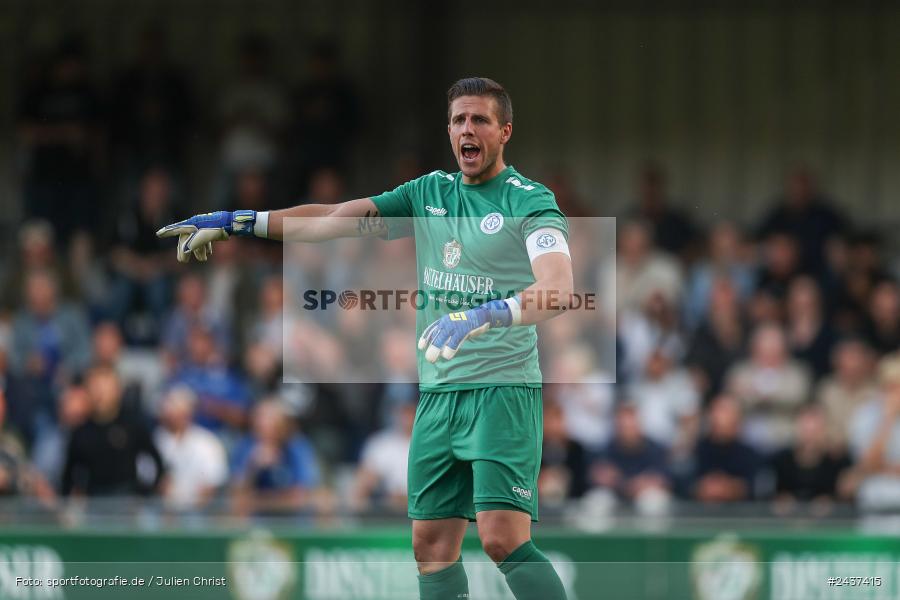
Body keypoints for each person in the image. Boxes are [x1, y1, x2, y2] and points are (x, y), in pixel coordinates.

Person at [158, 77, 573, 600]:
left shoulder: (529, 201)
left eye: (480, 120)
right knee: (430, 546)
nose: (467, 129)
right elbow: (334, 219)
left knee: (501, 540)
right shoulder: (428, 194)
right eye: (458, 120)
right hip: (439, 394)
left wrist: (482, 316)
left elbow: (558, 290)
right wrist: (242, 221)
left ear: (504, 131)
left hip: (502, 391)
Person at [62, 365, 163, 496]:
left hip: (127, 499)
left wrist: (145, 493)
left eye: (105, 388)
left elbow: (156, 461)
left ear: (117, 390)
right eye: (95, 388)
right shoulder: (81, 431)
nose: (100, 394)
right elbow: (69, 474)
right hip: (94, 501)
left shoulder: (132, 424)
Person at [351, 402, 416, 512]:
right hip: (389, 510)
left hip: (423, 508)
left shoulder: (434, 443)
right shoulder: (381, 443)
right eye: (404, 412)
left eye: (411, 412)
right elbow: (363, 482)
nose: (407, 418)